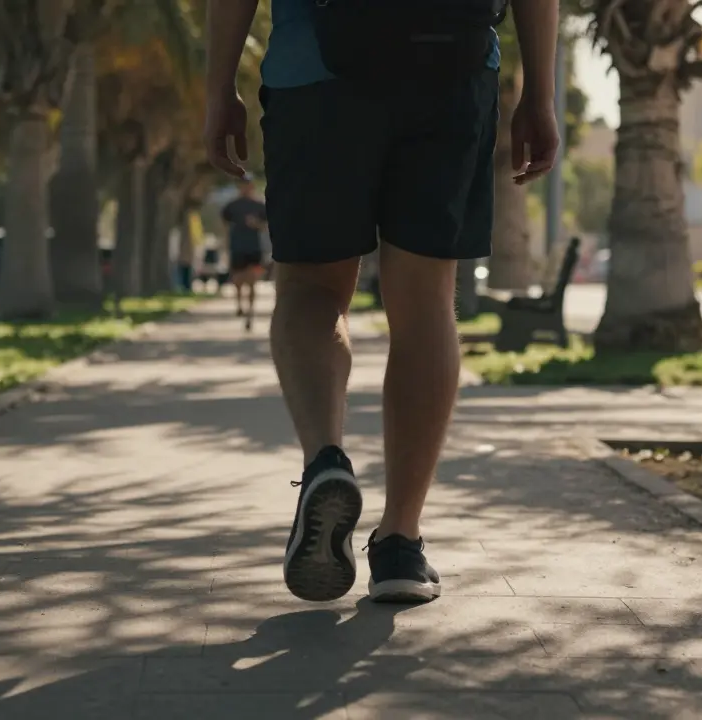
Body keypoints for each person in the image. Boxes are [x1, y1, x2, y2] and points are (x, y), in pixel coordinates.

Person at [205, 0, 559, 603]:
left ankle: (326, 460)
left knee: (313, 290)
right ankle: (400, 545)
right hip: (452, 69)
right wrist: (540, 94)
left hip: (316, 74)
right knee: (424, 301)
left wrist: (218, 90)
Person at [221, 174, 268, 331]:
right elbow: (224, 224)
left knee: (253, 280)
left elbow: (266, 226)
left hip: (254, 248)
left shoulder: (259, 206)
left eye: (247, 184)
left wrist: (256, 224)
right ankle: (240, 304)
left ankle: (250, 313)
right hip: (237, 247)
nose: (245, 187)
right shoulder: (232, 206)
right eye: (242, 184)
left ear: (252, 186)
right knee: (238, 280)